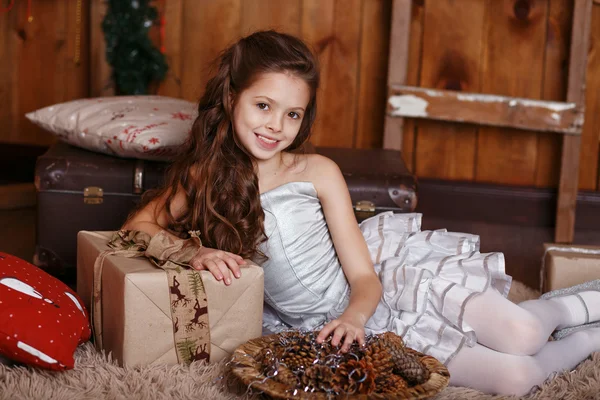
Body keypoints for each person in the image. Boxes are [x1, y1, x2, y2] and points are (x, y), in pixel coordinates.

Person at [122, 30, 600, 396]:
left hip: (376, 291)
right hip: (314, 329)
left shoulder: (318, 172)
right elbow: (137, 226)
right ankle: (592, 339)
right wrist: (194, 252)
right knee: (517, 378)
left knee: (524, 330)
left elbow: (365, 278)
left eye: (292, 114)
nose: (275, 125)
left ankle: (586, 301)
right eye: (263, 105)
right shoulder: (204, 179)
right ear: (232, 99)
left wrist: (355, 317)